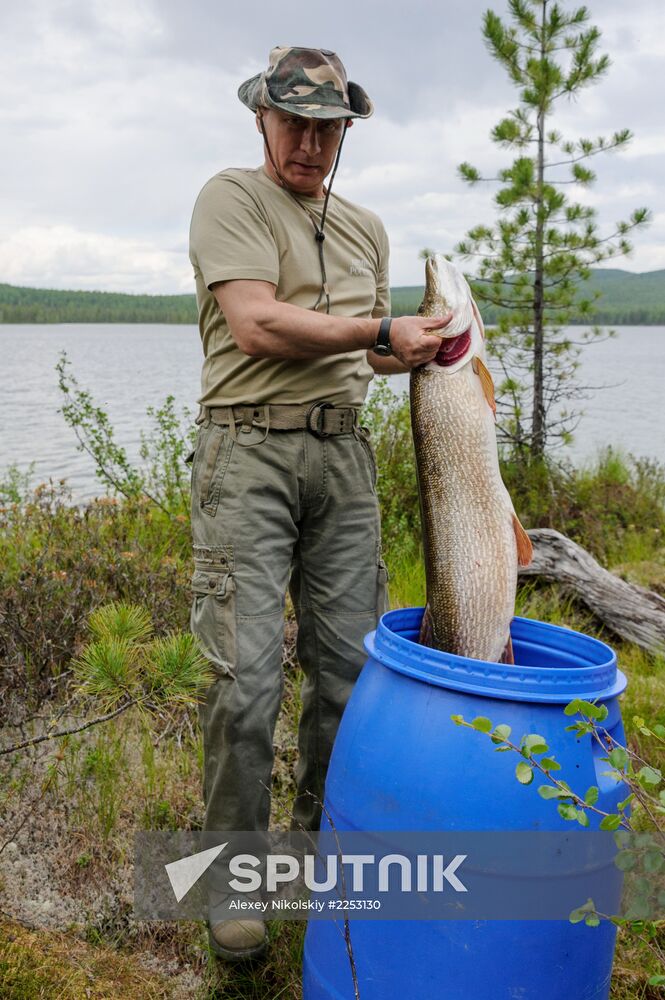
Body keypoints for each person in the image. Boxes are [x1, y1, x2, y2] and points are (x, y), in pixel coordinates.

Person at [188, 45, 451, 960]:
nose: (308, 141)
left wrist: (413, 343)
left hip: (344, 457)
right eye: (292, 120)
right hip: (247, 451)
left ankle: (315, 856)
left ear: (346, 130)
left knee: (348, 676)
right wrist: (380, 328)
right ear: (261, 117)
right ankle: (232, 882)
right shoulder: (232, 197)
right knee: (247, 680)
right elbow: (256, 321)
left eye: (325, 126)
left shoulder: (366, 228)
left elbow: (362, 353)